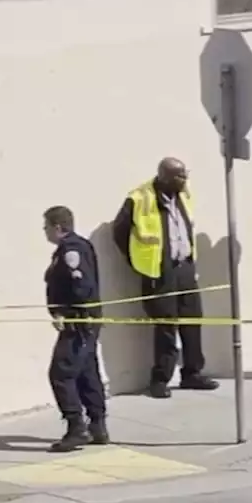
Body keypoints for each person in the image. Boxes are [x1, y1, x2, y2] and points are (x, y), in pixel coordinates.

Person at [113, 158, 219, 399]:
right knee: (165, 325)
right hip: (159, 272)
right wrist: (137, 261)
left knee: (192, 321)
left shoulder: (183, 194)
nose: (185, 180)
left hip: (185, 268)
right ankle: (160, 379)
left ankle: (192, 373)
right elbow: (119, 232)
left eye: (185, 175)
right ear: (165, 177)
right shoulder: (139, 198)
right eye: (180, 176)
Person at [42, 205, 109, 453]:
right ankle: (97, 426)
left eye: (46, 227)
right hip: (85, 321)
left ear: (57, 227)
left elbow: (81, 285)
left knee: (61, 372)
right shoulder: (77, 246)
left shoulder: (71, 250)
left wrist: (70, 313)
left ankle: (76, 427)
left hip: (79, 322)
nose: (45, 232)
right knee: (86, 371)